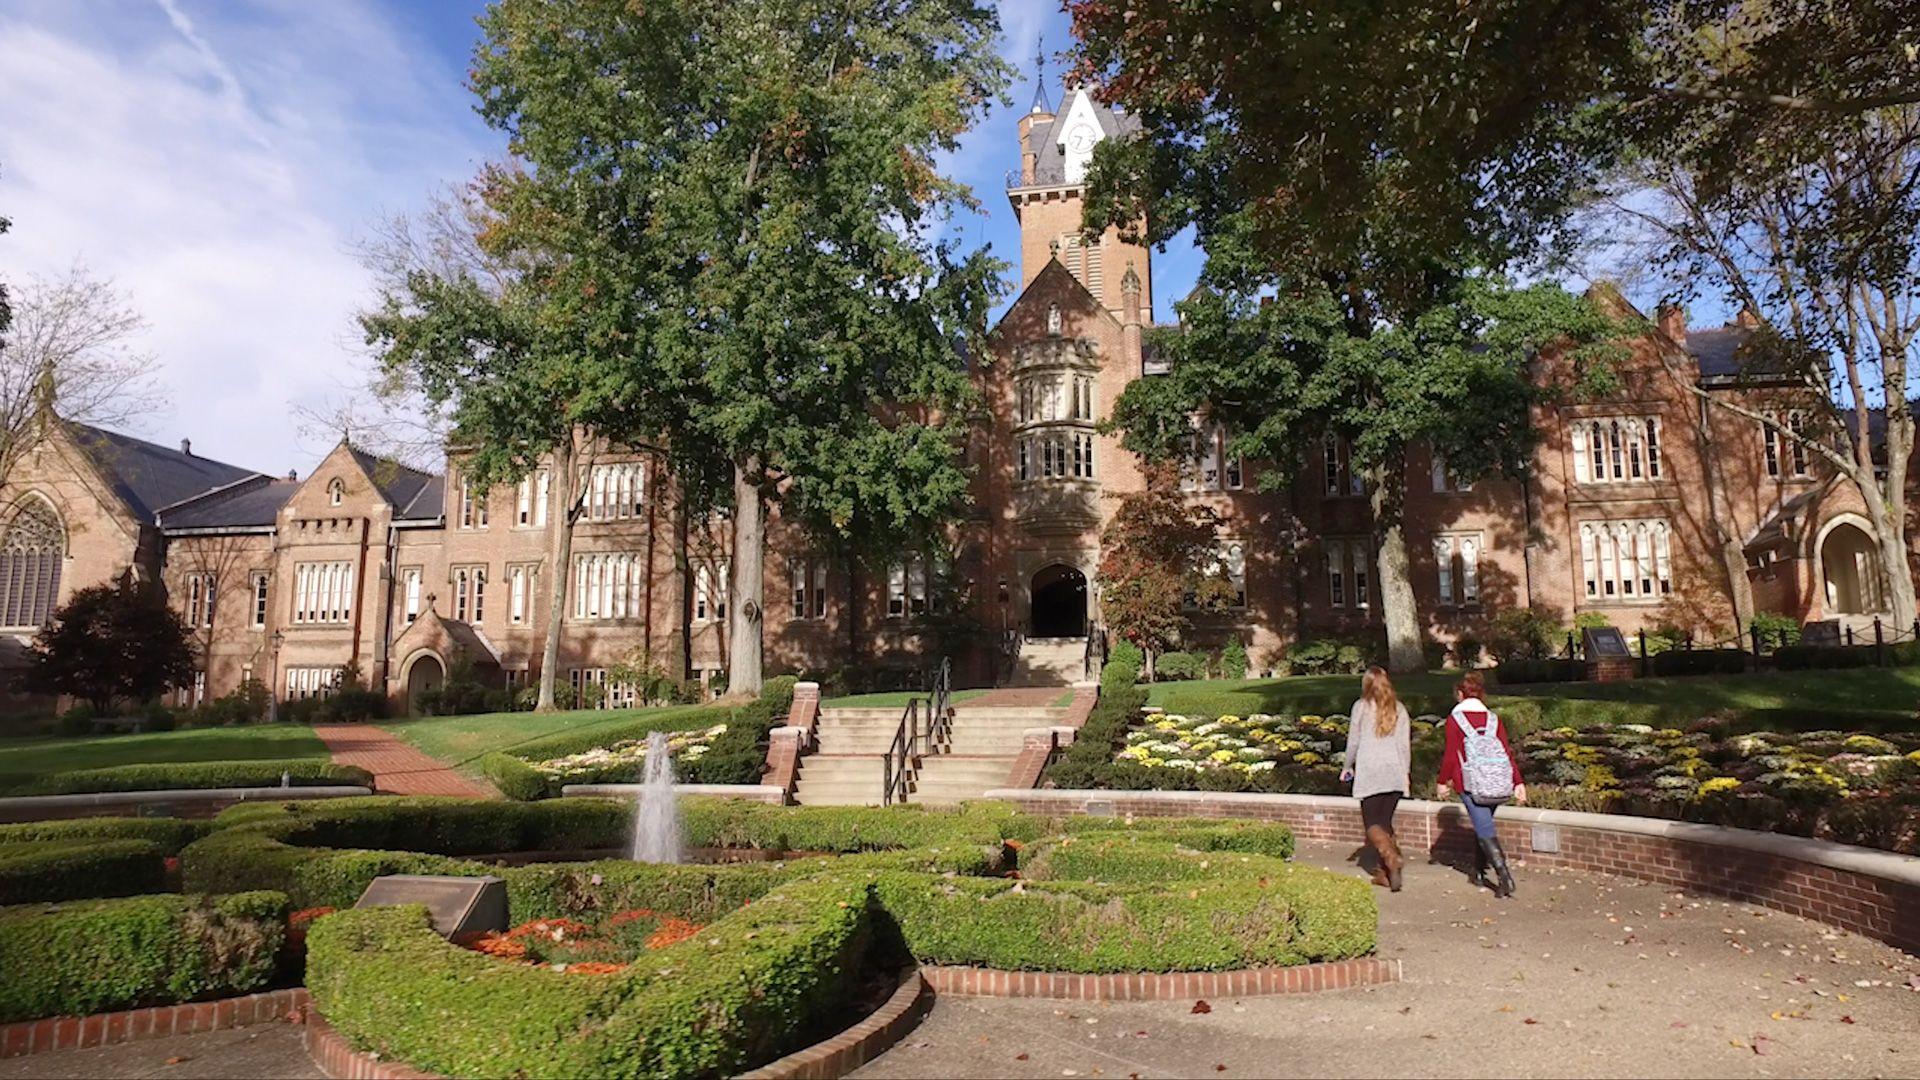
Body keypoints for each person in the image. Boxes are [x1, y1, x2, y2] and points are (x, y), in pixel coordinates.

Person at [1436, 672, 1526, 898]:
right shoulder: (1493, 719)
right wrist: (1518, 781)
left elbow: (1449, 756)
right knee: (1483, 824)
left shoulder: (1455, 719)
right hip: (1497, 781)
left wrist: (1442, 781)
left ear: (1460, 694)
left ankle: (1504, 876)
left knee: (1484, 827)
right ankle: (1477, 871)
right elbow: (1507, 752)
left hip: (1470, 782)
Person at [1340, 665, 1411, 891]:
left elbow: (1353, 742)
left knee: (1371, 824)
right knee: (1385, 822)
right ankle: (1384, 873)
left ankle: (1391, 858)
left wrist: (1346, 766)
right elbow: (1404, 746)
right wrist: (1405, 773)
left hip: (1371, 772)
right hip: (1394, 772)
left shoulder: (1361, 708)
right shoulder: (1399, 709)